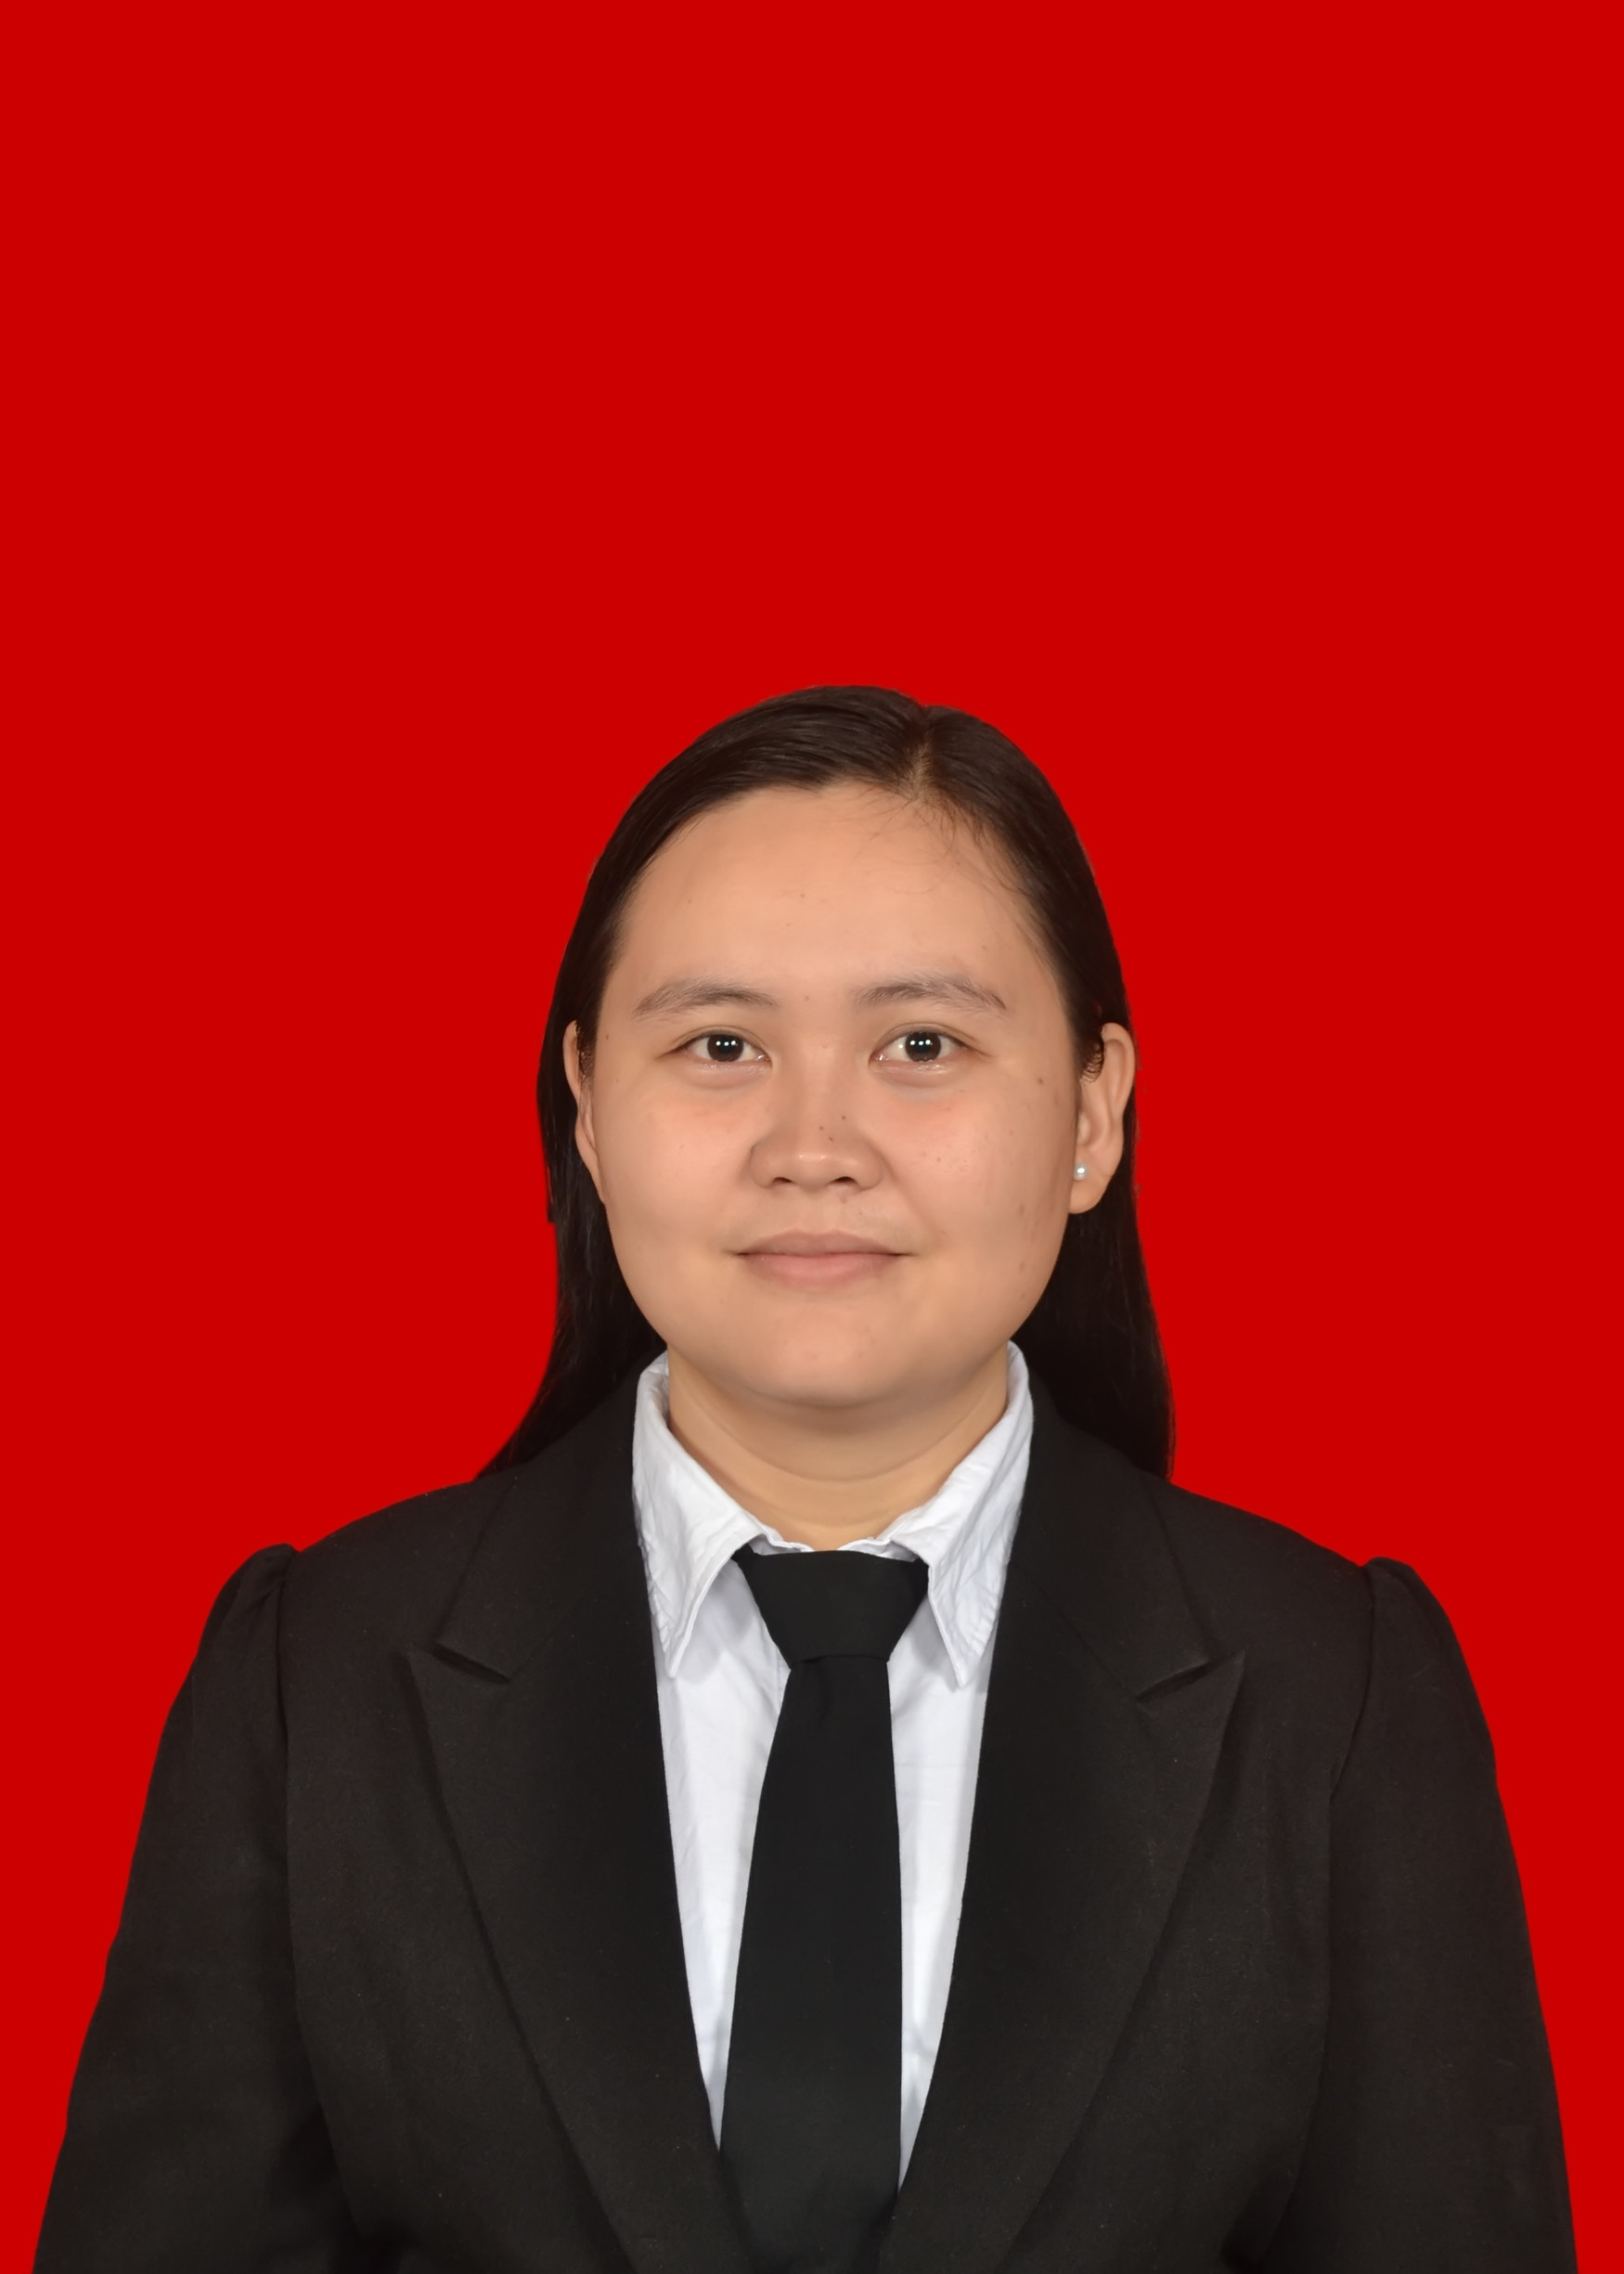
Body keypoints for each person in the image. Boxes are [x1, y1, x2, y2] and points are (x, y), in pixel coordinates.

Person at [38, 687, 1573, 2273]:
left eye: (922, 1044)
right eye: (720, 1045)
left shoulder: (1335, 1695)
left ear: (1089, 1112)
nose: (813, 1142)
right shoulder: (317, 1679)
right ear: (587, 1106)